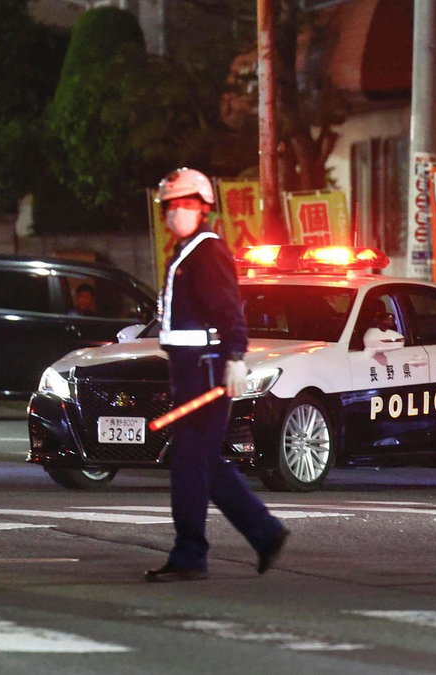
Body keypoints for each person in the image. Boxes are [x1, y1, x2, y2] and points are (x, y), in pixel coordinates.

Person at [146, 167, 289, 582]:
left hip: (205, 373)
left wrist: (234, 357)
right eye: (172, 205)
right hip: (190, 371)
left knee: (189, 462)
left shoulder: (206, 251)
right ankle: (265, 533)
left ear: (205, 208)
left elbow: (229, 310)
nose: (178, 212)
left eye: (187, 204)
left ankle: (190, 554)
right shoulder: (185, 251)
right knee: (205, 462)